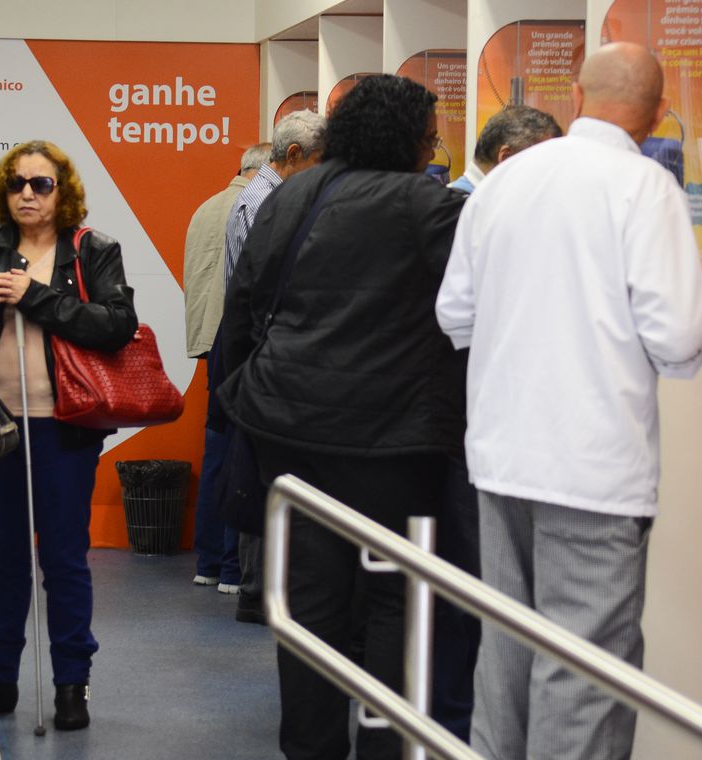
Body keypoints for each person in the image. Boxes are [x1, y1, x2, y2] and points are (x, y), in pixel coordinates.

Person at [435, 42, 702, 760]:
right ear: (657, 113)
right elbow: (682, 334)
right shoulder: (643, 187)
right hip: (594, 467)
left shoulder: (504, 179)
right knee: (584, 665)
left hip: (499, 459)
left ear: (579, 97)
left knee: (506, 649)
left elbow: (454, 314)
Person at [219, 75, 466, 760]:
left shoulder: (291, 193)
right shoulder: (429, 204)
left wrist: (237, 395)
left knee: (308, 603)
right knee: (393, 600)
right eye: (429, 132)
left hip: (287, 429)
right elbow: (472, 313)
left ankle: (311, 748)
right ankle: (384, 750)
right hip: (392, 441)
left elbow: (241, 308)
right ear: (410, 139)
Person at [0, 141, 138, 731]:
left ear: (62, 192)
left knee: (63, 559)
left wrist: (38, 297)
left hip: (65, 430)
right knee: (1, 558)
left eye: (41, 184)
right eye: (17, 184)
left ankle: (70, 685)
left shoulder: (92, 249)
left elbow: (116, 325)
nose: (28, 193)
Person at [432, 103, 562, 743]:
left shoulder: (470, 207)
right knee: (479, 585)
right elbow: (454, 320)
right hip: (468, 425)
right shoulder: (460, 210)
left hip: (481, 427)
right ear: (510, 158)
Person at [220, 110, 325, 613]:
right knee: (260, 472)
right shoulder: (266, 203)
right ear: (295, 156)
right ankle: (258, 591)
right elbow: (254, 289)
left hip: (260, 350)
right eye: (319, 162)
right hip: (264, 352)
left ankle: (260, 589)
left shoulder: (266, 197)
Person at [184, 142, 270, 591]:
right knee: (238, 452)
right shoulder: (255, 206)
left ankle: (209, 560)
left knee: (215, 449)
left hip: (209, 339)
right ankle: (234, 568)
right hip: (237, 342)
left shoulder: (206, 207)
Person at [447, 105, 561, 194]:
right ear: (506, 159)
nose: (547, 179)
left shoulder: (463, 205)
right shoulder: (467, 213)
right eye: (543, 167)